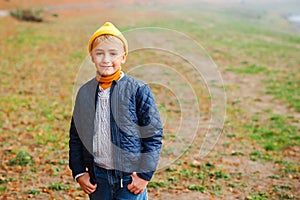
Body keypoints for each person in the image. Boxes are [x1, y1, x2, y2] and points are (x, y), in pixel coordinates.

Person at [69, 22, 163, 200]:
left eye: (113, 54)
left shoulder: (138, 90)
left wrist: (144, 176)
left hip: (129, 179)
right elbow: (76, 136)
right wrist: (79, 172)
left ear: (123, 57)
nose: (106, 59)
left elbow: (153, 135)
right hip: (98, 179)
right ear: (92, 57)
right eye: (99, 53)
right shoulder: (85, 93)